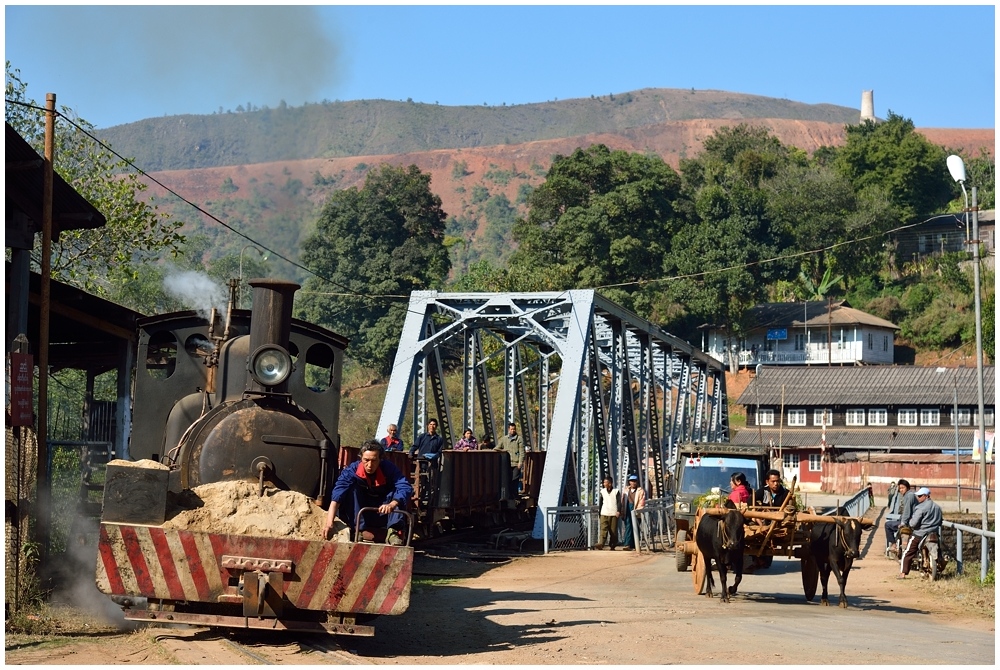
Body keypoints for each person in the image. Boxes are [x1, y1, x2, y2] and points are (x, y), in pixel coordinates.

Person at [324, 440, 413, 545]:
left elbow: (405, 487)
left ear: (380, 459)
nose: (369, 465)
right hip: (361, 513)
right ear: (361, 458)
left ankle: (393, 533)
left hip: (385, 513)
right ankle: (358, 531)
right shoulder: (352, 470)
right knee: (351, 489)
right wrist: (329, 522)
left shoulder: (389, 469)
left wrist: (392, 504)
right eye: (366, 460)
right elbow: (337, 495)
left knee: (398, 493)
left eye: (374, 460)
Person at [898, 487, 943, 579]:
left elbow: (913, 523)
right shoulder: (937, 507)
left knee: (908, 552)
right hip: (933, 533)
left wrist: (910, 523)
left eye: (919, 496)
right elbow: (940, 521)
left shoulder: (920, 508)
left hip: (920, 533)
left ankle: (903, 573)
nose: (918, 498)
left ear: (926, 496)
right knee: (940, 551)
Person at [884, 479, 917, 555]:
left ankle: (893, 545)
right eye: (900, 488)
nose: (901, 490)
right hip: (911, 521)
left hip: (908, 522)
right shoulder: (909, 495)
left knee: (888, 525)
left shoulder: (909, 496)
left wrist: (903, 522)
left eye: (903, 488)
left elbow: (907, 511)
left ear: (907, 488)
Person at [495, 422, 527, 490]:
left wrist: (520, 462)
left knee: (514, 479)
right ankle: (508, 495)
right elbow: (497, 448)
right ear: (508, 430)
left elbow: (522, 451)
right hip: (506, 463)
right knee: (507, 479)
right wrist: (502, 451)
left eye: (514, 429)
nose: (513, 430)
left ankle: (514, 496)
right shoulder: (504, 439)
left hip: (515, 463)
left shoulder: (519, 439)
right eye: (511, 429)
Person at [595, 477, 622, 550]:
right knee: (603, 529)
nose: (604, 484)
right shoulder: (602, 491)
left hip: (613, 513)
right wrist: (600, 513)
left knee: (613, 531)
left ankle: (612, 544)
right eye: (604, 482)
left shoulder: (616, 491)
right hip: (604, 512)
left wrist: (618, 511)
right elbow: (600, 503)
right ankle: (601, 543)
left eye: (605, 482)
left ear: (610, 483)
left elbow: (619, 502)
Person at [620, 474, 647, 550]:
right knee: (628, 526)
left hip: (636, 510)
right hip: (627, 510)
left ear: (637, 482)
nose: (633, 483)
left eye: (634, 481)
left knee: (636, 527)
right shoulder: (626, 490)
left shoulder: (640, 491)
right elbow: (622, 501)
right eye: (632, 481)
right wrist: (622, 511)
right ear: (629, 482)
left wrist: (638, 511)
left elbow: (642, 501)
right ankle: (627, 544)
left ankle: (634, 544)